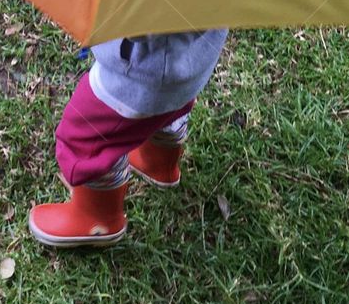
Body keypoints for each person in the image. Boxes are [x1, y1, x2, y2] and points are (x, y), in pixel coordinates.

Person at [29, 29, 228, 247]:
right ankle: (159, 165)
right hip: (191, 63)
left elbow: (137, 19)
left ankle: (97, 218)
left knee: (88, 138)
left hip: (139, 75)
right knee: (167, 112)